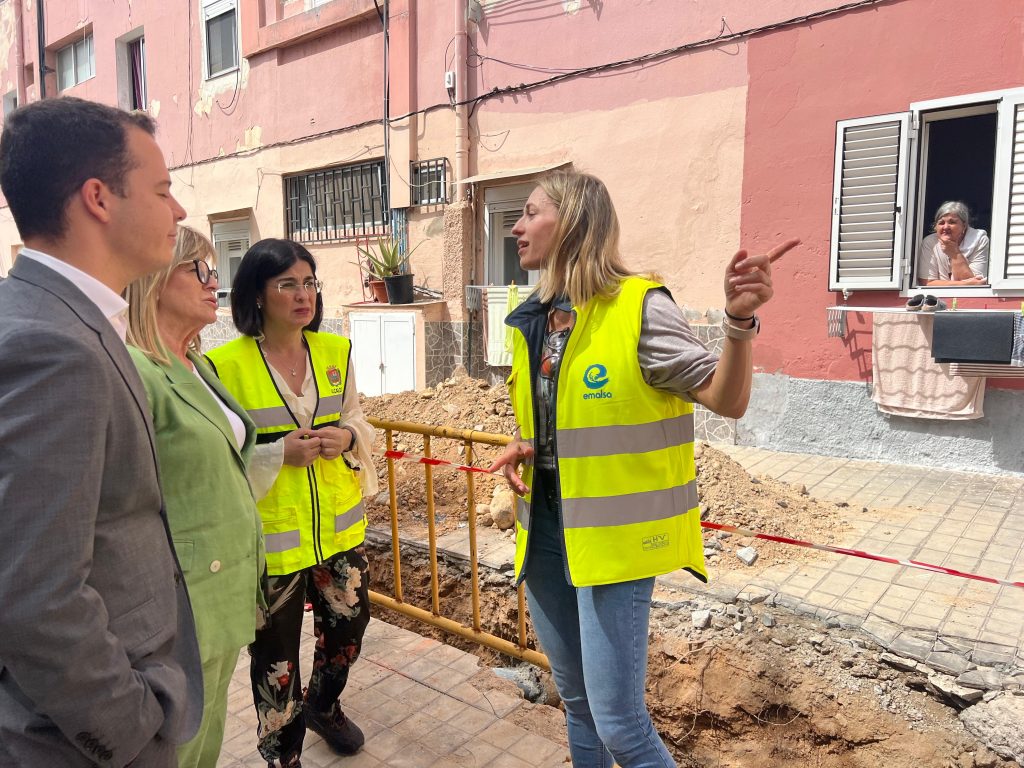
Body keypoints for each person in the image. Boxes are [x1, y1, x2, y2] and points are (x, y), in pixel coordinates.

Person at [489, 170, 798, 767]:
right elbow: (562, 414)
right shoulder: (537, 317)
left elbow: (727, 400)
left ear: (574, 220)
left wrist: (737, 324)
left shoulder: (640, 307)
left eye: (530, 212)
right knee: (576, 704)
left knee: (621, 727)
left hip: (617, 543)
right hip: (546, 531)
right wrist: (528, 445)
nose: (517, 226)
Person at [0, 98, 202, 766]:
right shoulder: (53, 347)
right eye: (163, 190)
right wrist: (129, 724)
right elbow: (36, 594)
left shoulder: (54, 318)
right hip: (82, 739)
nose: (177, 212)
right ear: (98, 199)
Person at [205, 239, 378, 768]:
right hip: (272, 541)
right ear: (257, 295)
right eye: (287, 284)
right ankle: (283, 755)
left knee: (349, 627)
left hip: (336, 531)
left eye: (308, 283)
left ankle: (324, 706)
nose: (302, 295)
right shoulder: (223, 366)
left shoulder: (334, 352)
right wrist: (278, 453)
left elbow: (357, 416)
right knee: (276, 660)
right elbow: (216, 455)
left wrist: (348, 438)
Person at [125, 225, 267, 768]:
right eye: (199, 271)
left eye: (215, 271)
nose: (216, 284)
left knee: (204, 740)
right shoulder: (137, 370)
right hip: (184, 598)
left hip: (224, 585)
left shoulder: (195, 363)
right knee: (179, 749)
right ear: (154, 279)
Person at [917, 201, 989, 286]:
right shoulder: (930, 242)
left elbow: (977, 284)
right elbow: (927, 282)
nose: (946, 227)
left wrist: (955, 253)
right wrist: (962, 284)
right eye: (941, 223)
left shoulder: (979, 240)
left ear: (964, 225)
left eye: (952, 222)